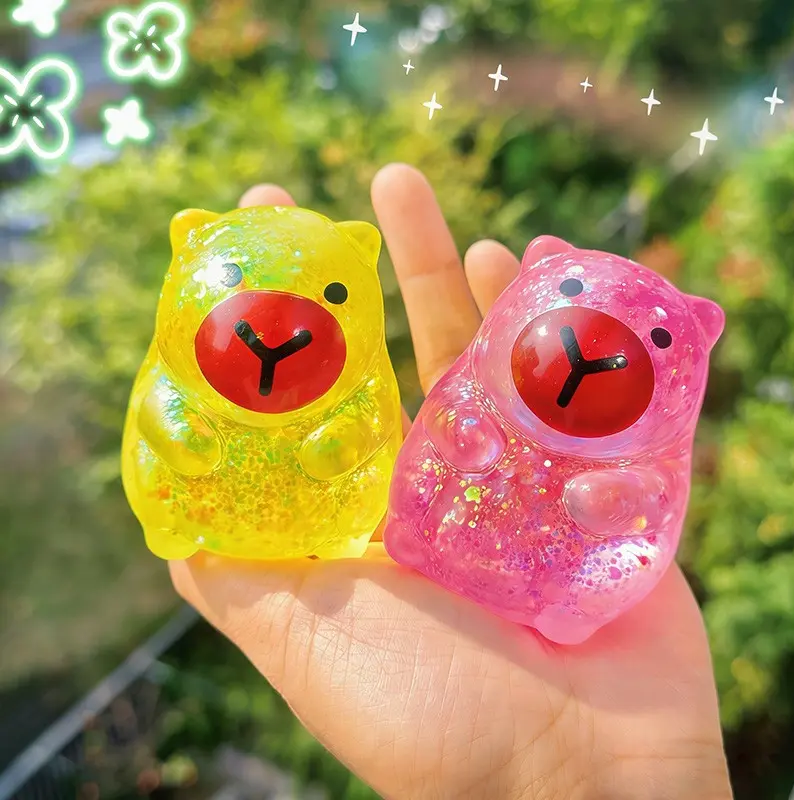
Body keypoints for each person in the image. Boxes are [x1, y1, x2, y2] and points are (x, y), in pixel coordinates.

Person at [169, 163, 734, 800]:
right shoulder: (475, 389)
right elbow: (444, 424)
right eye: (570, 288)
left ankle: (565, 611)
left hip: (560, 587)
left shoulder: (647, 456)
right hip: (432, 530)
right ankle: (415, 538)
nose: (591, 350)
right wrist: (463, 433)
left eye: (657, 339)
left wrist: (618, 498)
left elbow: (649, 506)